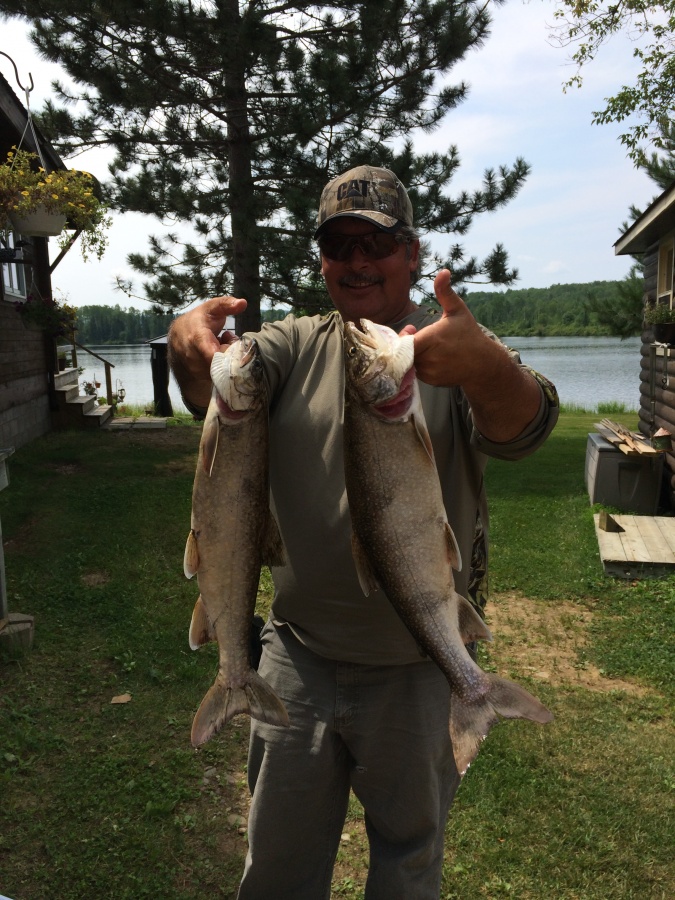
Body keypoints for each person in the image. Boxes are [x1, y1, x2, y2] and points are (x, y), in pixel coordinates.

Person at [168, 165, 559, 900]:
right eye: (338, 245)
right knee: (276, 870)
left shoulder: (452, 348)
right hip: (296, 658)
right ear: (320, 261)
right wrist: (184, 345)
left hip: (420, 667)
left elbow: (524, 429)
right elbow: (215, 391)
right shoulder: (290, 344)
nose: (356, 262)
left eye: (375, 244)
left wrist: (485, 368)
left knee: (408, 865)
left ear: (410, 253)